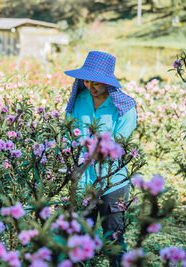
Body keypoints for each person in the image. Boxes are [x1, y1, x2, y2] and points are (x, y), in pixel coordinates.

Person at [63, 51, 137, 266]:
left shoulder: (124, 108)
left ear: (108, 82)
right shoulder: (79, 100)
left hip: (113, 181)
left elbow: (119, 144)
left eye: (96, 82)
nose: (90, 86)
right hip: (83, 180)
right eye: (86, 80)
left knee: (113, 237)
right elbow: (70, 134)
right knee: (79, 239)